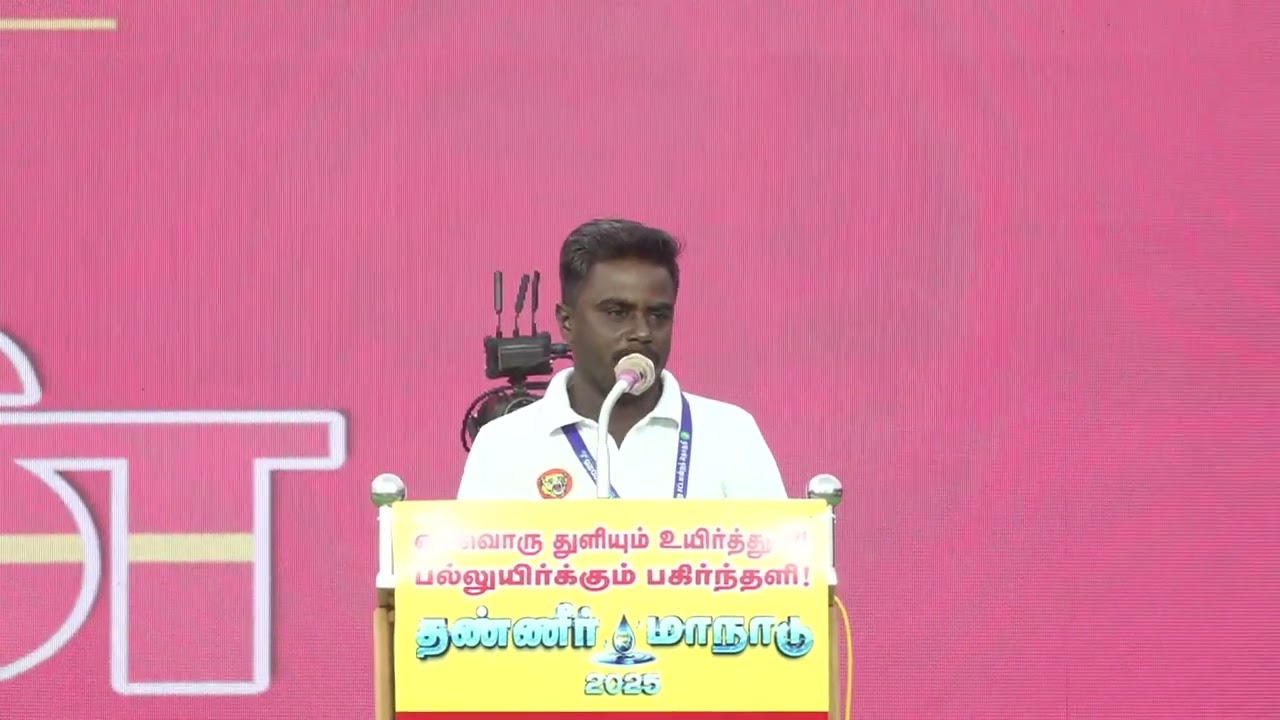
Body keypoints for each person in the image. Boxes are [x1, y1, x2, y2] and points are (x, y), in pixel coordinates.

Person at [457, 218, 787, 500]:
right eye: (617, 313)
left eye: (658, 315)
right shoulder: (504, 444)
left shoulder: (730, 433)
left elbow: (782, 554)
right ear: (567, 323)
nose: (642, 332)